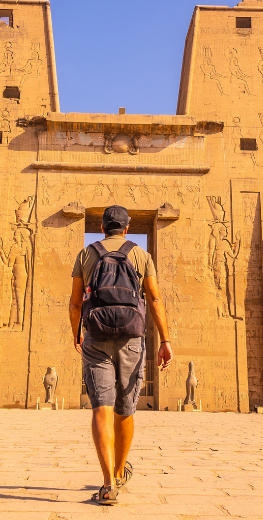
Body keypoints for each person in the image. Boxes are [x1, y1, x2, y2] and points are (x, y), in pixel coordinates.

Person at [69, 206, 173, 506]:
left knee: (101, 406)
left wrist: (76, 333)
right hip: (131, 337)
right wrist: (165, 339)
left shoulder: (87, 254)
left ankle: (107, 484)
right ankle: (118, 471)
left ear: (102, 228)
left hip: (96, 336)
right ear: (127, 228)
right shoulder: (140, 255)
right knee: (125, 408)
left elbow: (75, 303)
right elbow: (154, 298)